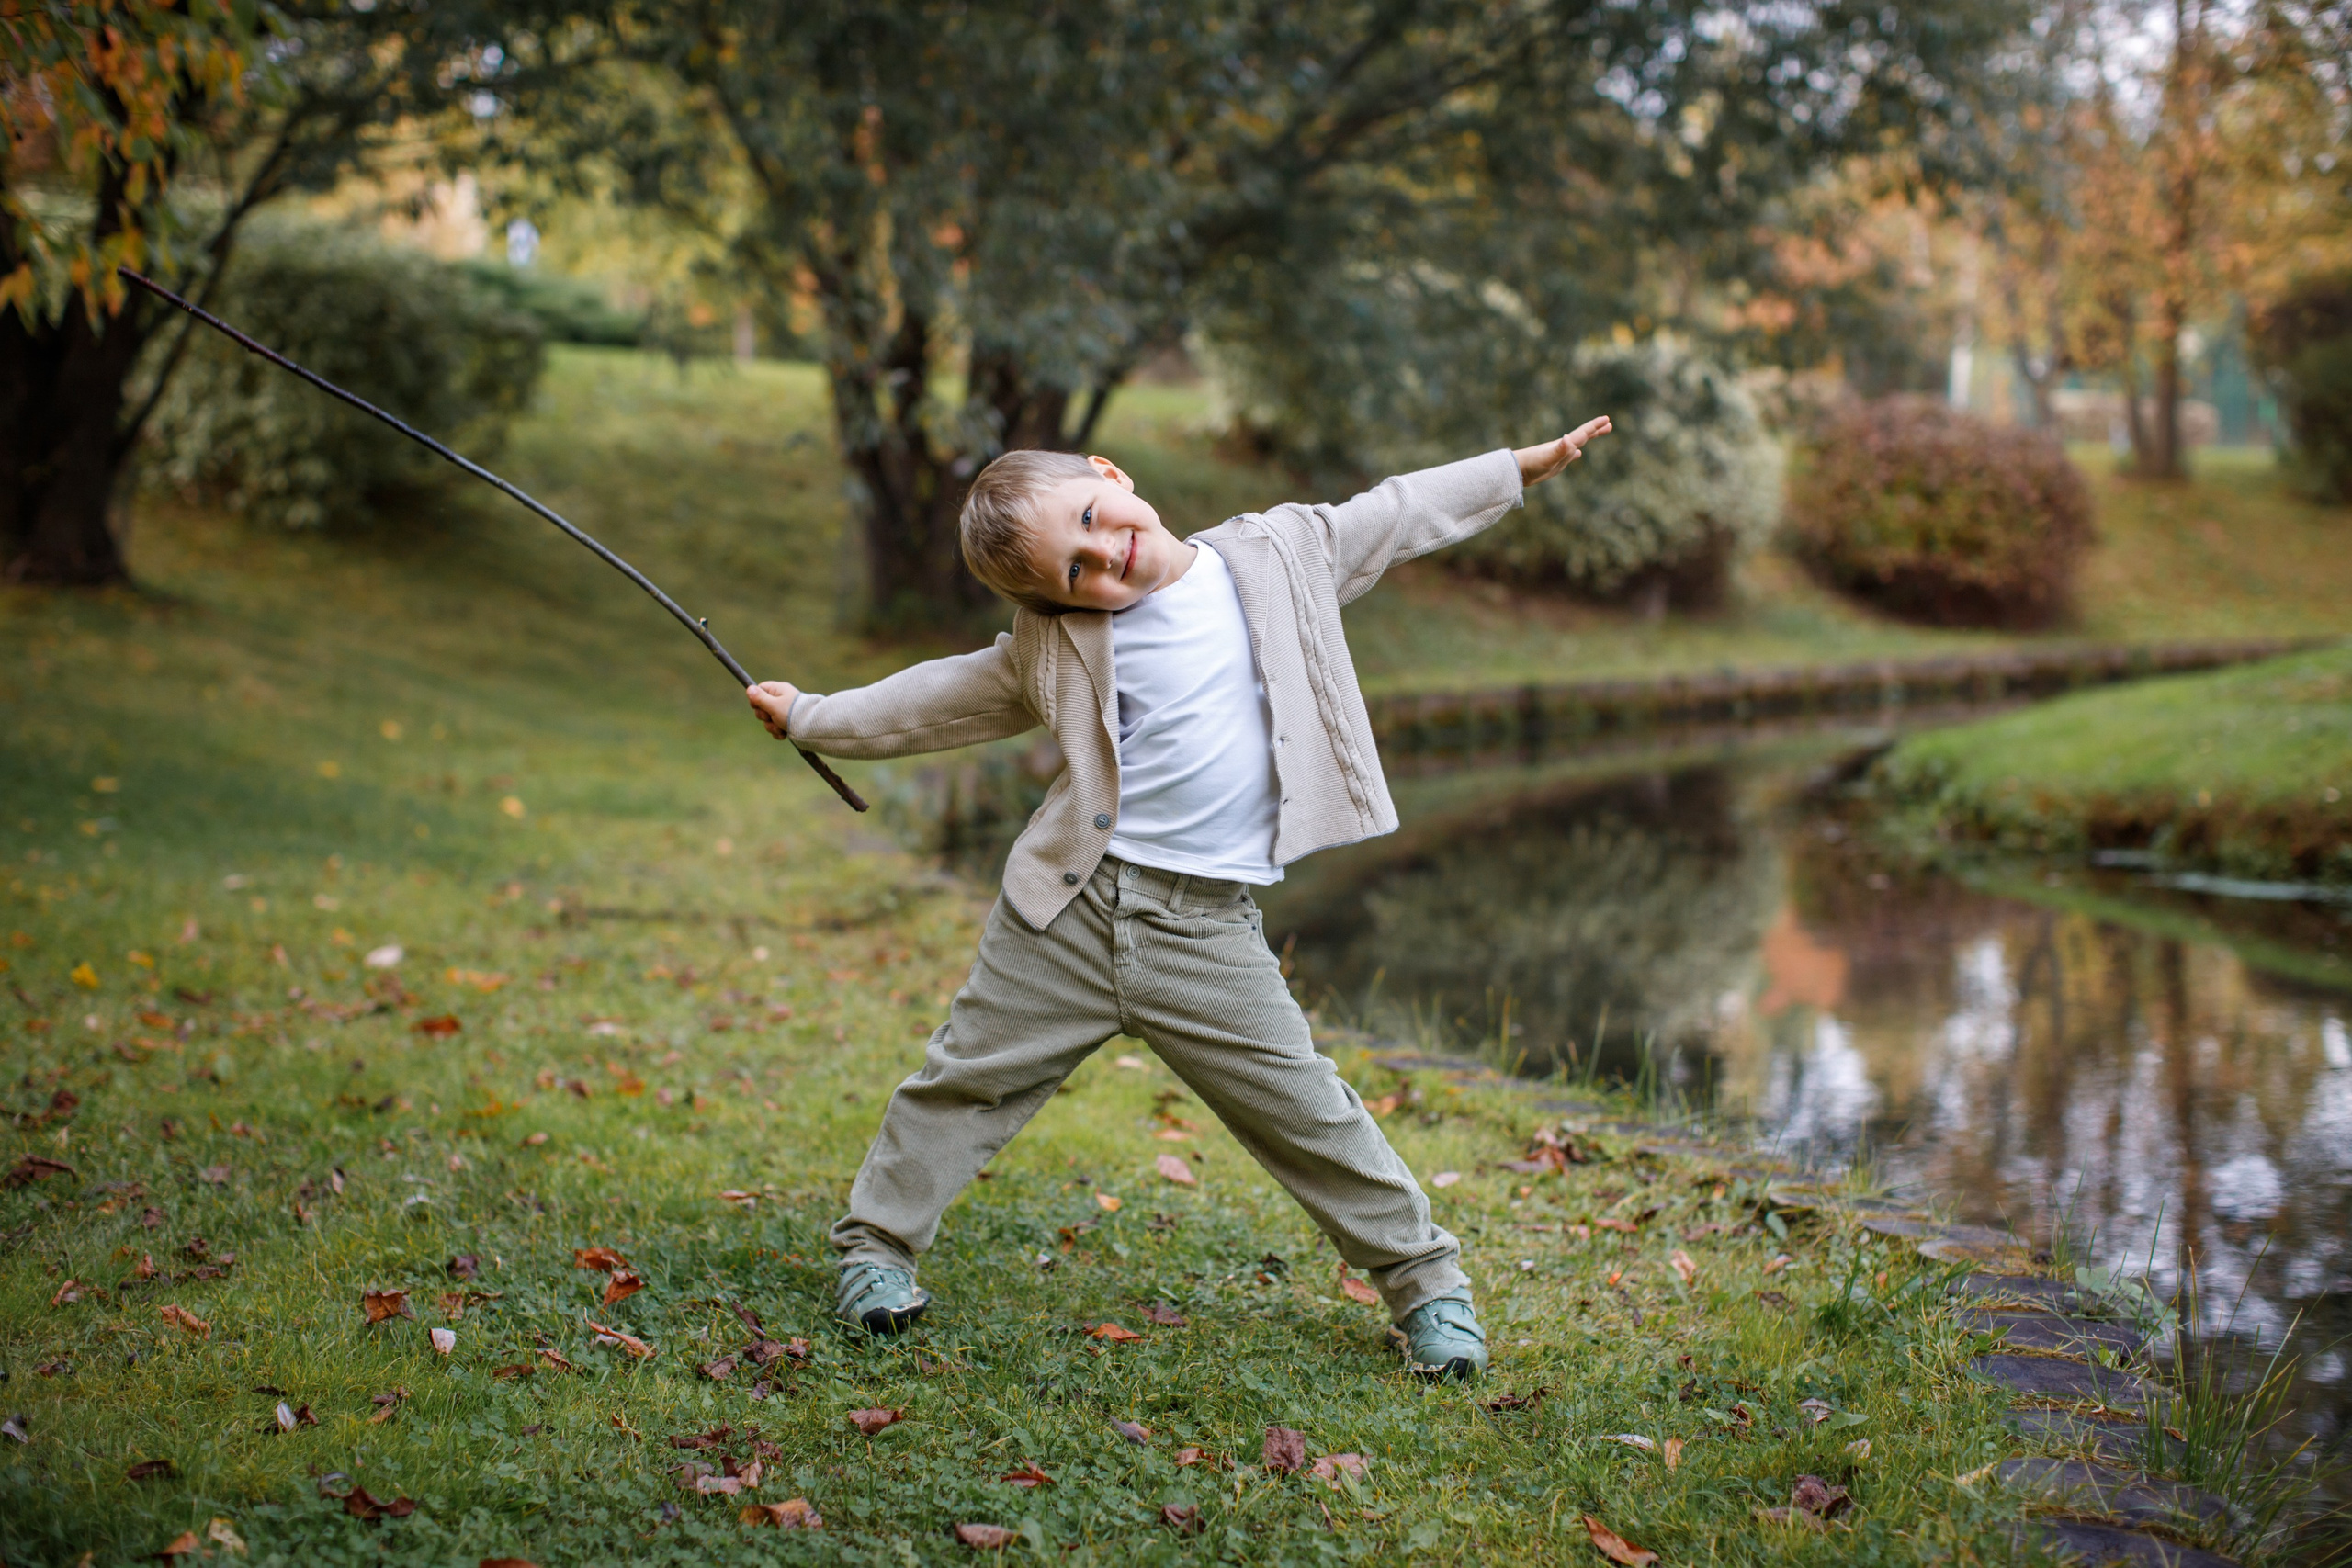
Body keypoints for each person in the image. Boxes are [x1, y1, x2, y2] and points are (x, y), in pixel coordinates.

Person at [746, 418, 1612, 1379]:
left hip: (1205, 929)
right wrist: (812, 716)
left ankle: (1427, 1287)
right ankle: (876, 1254)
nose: (1102, 552)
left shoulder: (1280, 555)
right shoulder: (1060, 645)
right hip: (1064, 916)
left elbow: (1398, 510)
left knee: (1307, 1111)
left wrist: (1513, 469)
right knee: (961, 1082)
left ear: (1111, 474)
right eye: (1073, 568)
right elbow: (942, 696)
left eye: (1092, 517)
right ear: (1054, 599)